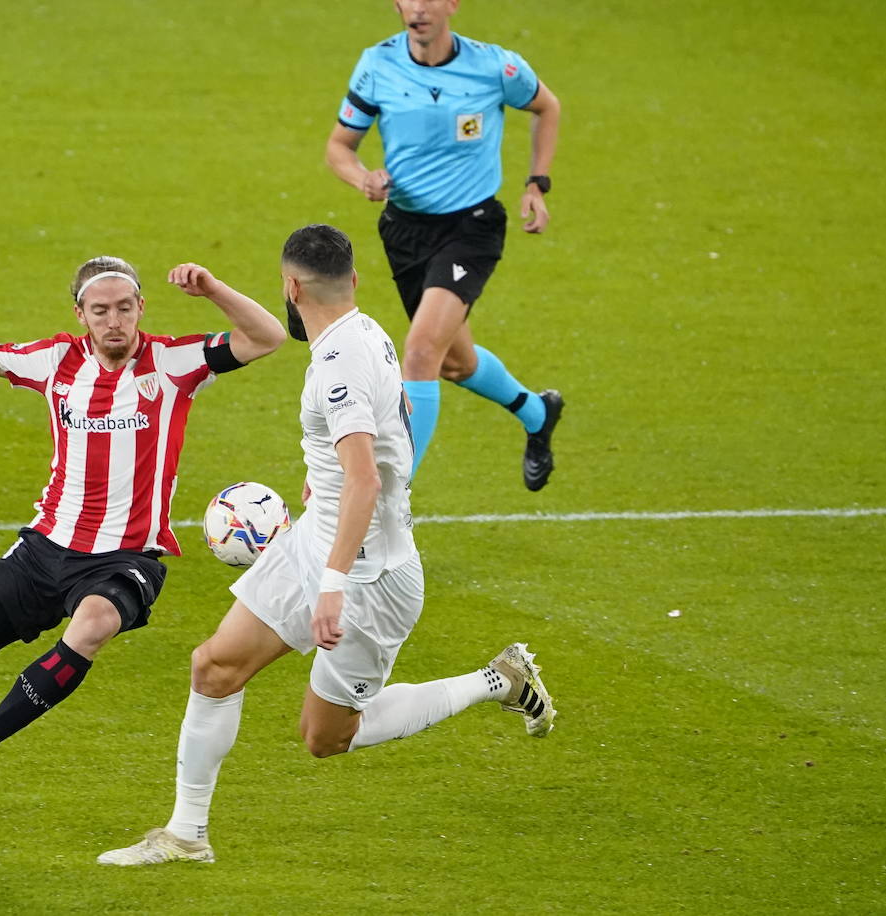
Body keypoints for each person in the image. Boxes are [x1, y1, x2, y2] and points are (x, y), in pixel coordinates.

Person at [96, 224, 556, 866]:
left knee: (325, 737)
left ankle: (496, 679)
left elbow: (365, 477)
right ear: (354, 282)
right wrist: (214, 290)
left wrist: (333, 586)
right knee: (214, 667)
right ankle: (186, 834)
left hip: (371, 577)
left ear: (290, 286)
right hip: (319, 539)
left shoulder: (338, 363)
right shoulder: (362, 331)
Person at [0, 256, 286, 816]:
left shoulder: (173, 361)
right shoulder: (55, 361)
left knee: (91, 625)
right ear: (81, 314)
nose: (113, 320)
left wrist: (213, 289)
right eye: (100, 311)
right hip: (44, 547)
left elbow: (267, 336)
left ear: (141, 307)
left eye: (124, 308)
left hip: (125, 557)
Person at [325, 0, 564, 490]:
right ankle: (538, 413)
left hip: (471, 228)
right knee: (456, 362)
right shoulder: (377, 65)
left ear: (452, 4)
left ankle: (391, 493)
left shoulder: (495, 65)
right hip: (406, 231)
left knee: (419, 353)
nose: (418, 9)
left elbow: (547, 106)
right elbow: (339, 146)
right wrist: (363, 179)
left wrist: (537, 182)